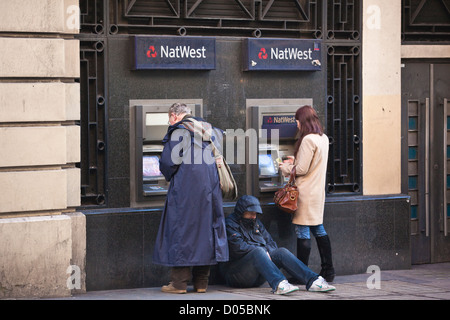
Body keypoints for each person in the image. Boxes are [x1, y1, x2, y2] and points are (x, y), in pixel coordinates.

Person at [153, 102, 229, 293]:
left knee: (183, 230)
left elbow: (168, 163)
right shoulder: (209, 130)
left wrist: (166, 174)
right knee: (206, 231)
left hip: (187, 189)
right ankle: (201, 283)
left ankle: (179, 284)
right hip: (210, 189)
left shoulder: (179, 131)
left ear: (174, 116)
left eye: (169, 119)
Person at [220, 195, 335, 295]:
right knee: (258, 251)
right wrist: (263, 252)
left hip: (259, 272)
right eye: (251, 213)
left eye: (255, 213)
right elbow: (238, 248)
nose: (254, 216)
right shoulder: (229, 224)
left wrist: (267, 253)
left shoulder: (256, 223)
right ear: (241, 211)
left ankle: (313, 281)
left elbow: (270, 242)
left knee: (281, 252)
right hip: (237, 275)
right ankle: (280, 284)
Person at [279, 105, 335, 282]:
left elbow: (302, 169)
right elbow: (314, 163)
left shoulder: (307, 140)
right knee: (318, 228)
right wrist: (295, 159)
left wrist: (285, 167)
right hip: (317, 192)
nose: (296, 125)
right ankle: (328, 270)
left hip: (305, 192)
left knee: (302, 230)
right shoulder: (323, 138)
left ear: (303, 121)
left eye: (297, 121)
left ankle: (300, 273)